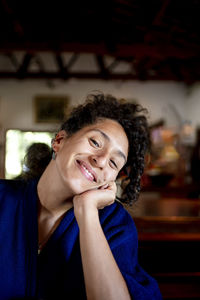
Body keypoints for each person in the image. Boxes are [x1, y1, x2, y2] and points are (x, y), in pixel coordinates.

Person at [0, 93, 162, 300]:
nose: (102, 160)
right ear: (59, 140)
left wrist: (87, 213)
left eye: (114, 163)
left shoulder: (115, 223)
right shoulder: (3, 198)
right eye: (95, 142)